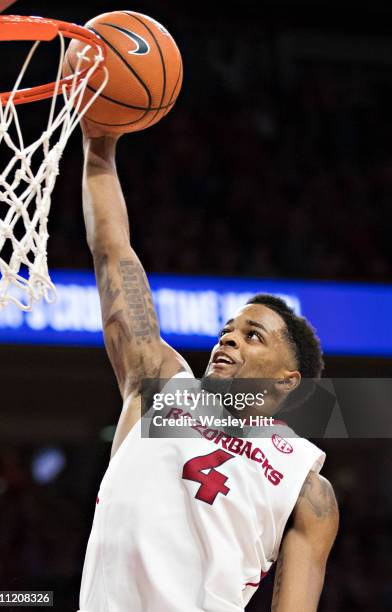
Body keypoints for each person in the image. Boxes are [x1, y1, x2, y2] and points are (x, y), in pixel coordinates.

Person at [78, 123, 339, 612]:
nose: (229, 339)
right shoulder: (159, 385)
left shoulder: (307, 485)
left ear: (287, 378)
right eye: (228, 330)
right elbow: (114, 255)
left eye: (252, 336)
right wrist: (100, 148)